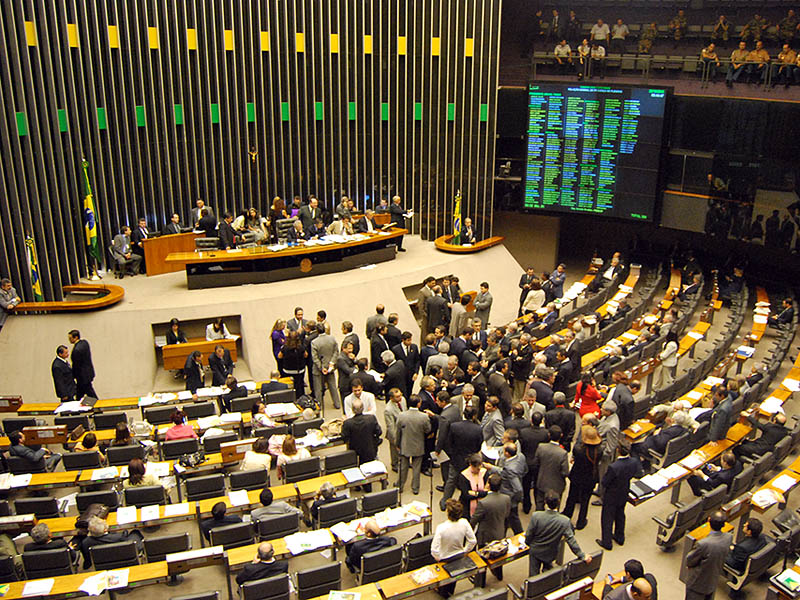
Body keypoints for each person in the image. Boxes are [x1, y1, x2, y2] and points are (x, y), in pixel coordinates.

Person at [526, 490, 589, 576]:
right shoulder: (564, 521)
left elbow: (529, 534)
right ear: (559, 502)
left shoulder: (536, 516)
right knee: (547, 574)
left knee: (533, 576)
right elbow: (571, 540)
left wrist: (528, 543)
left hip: (536, 551)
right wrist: (582, 555)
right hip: (551, 551)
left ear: (545, 502)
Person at [596, 443, 641, 550]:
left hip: (611, 495)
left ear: (618, 450)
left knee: (607, 517)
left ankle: (607, 542)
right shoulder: (634, 462)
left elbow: (605, 482)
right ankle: (619, 537)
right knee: (620, 514)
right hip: (624, 491)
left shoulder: (613, 467)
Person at [431, 499, 477, 598]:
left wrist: (439, 558)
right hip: (459, 555)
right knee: (452, 582)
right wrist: (465, 551)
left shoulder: (441, 527)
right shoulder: (464, 523)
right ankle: (449, 592)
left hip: (444, 558)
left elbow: (434, 550)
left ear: (448, 513)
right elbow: (473, 541)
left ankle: (443, 593)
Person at [684, 512, 732, 600]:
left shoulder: (703, 544)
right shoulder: (728, 537)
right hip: (713, 579)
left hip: (697, 583)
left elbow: (690, 560)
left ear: (708, 520)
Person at [470, 473, 510, 580]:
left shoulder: (484, 503)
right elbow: (506, 515)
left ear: (488, 485)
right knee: (499, 554)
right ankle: (499, 575)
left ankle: (480, 581)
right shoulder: (506, 498)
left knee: (482, 560)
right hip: (500, 532)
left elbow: (474, 520)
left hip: (485, 535)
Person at [563, 424, 602, 530]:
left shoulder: (578, 450)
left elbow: (575, 454)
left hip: (577, 476)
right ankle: (581, 521)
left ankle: (567, 515)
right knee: (585, 501)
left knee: (572, 497)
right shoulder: (599, 451)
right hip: (590, 478)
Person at [342, 398, 382, 490]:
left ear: (352, 410)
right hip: (369, 447)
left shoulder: (348, 423)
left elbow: (344, 437)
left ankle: (356, 485)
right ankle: (368, 487)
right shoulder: (371, 418)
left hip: (354, 449)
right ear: (363, 408)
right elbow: (379, 431)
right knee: (368, 467)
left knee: (354, 466)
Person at [396, 395, 431, 495]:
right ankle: (415, 488)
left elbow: (398, 431)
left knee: (403, 467)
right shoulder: (424, 417)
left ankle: (400, 485)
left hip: (405, 444)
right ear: (418, 404)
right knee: (416, 468)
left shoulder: (401, 415)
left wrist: (397, 443)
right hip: (418, 445)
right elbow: (427, 430)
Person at [532, 426, 569, 510]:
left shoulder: (541, 447)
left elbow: (536, 463)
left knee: (539, 504)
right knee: (555, 507)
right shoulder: (563, 453)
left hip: (542, 481)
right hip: (557, 485)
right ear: (561, 435)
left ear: (549, 435)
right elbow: (565, 472)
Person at [311, 323, 341, 410]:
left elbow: (315, 358)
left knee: (318, 388)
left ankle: (319, 405)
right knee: (332, 386)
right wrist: (331, 363)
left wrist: (321, 367)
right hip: (330, 367)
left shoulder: (314, 342)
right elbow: (336, 352)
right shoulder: (332, 339)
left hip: (319, 369)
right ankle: (337, 403)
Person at [67, 329, 96, 400]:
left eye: (70, 338)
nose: (69, 340)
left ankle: (98, 408)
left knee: (90, 394)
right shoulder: (85, 343)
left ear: (76, 337)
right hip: (88, 374)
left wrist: (73, 375)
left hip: (82, 377)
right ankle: (77, 409)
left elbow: (76, 365)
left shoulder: (76, 350)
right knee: (80, 394)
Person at [279, 330, 307, 396]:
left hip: (288, 370)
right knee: (299, 385)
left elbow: (279, 356)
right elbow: (306, 355)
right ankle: (300, 397)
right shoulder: (301, 347)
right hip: (299, 370)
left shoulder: (285, 347)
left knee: (289, 385)